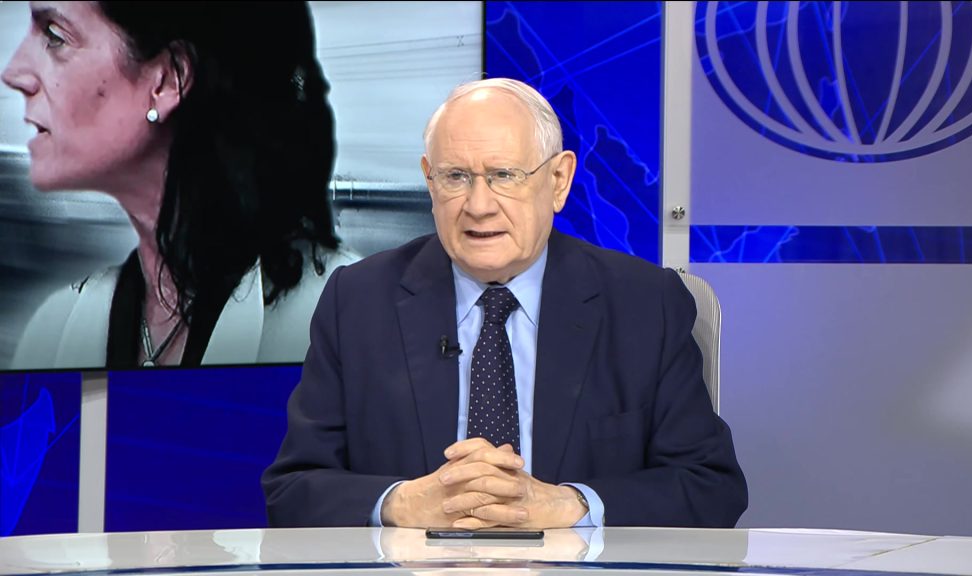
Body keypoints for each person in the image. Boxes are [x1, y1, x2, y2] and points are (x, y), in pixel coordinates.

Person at [262, 78, 747, 528]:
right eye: (456, 177)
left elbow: (711, 486)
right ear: (429, 180)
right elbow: (293, 488)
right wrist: (401, 503)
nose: (478, 205)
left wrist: (572, 505)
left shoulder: (644, 304)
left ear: (559, 180)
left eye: (504, 175)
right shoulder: (358, 301)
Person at [1, 1, 356, 370]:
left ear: (167, 81)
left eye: (55, 35)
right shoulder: (55, 332)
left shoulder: (344, 320)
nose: (13, 73)